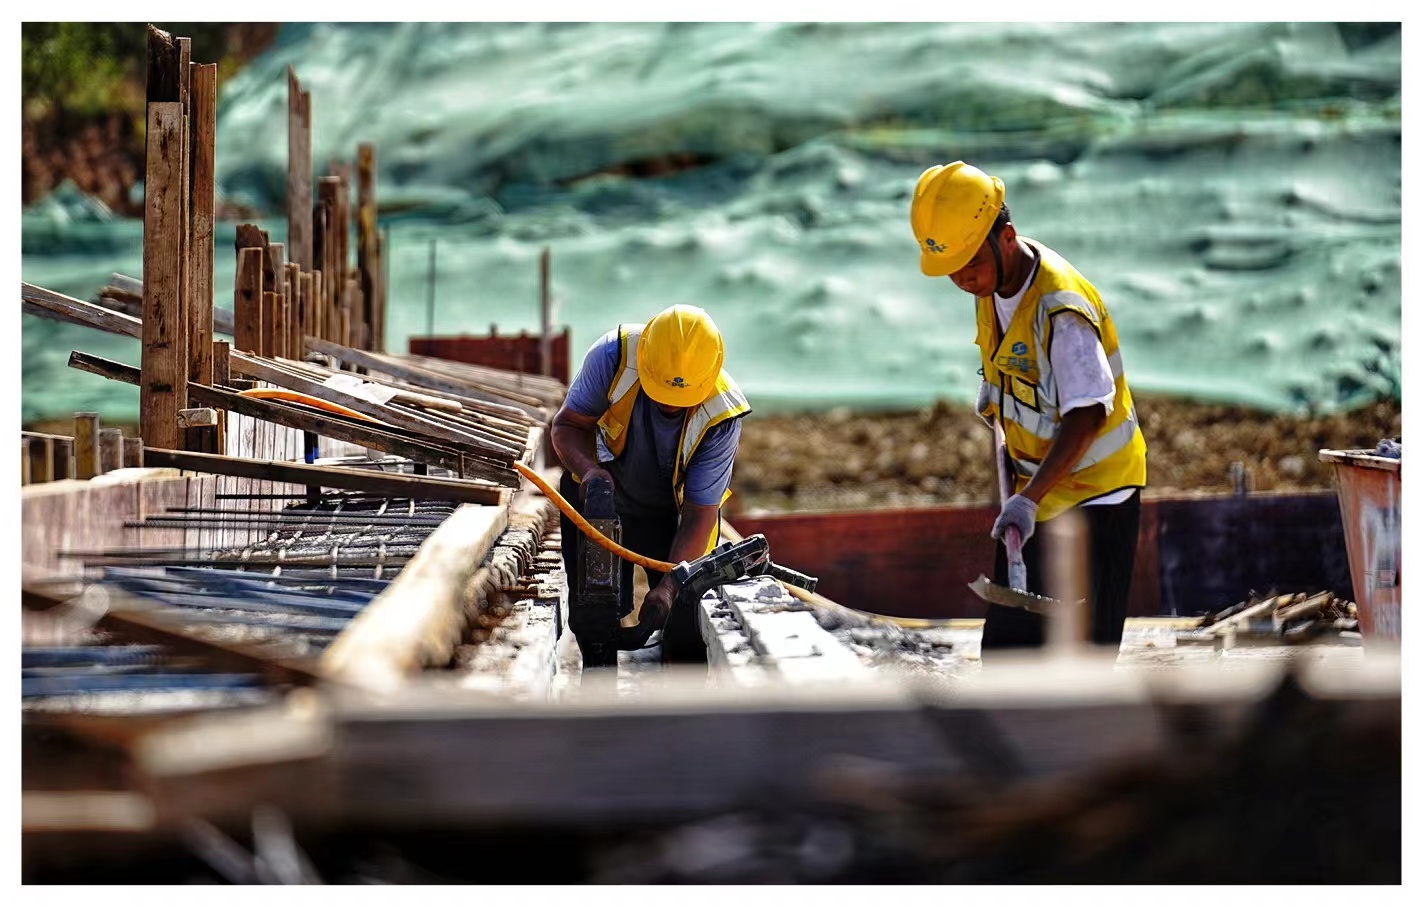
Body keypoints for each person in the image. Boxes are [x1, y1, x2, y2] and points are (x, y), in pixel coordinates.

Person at [909, 160, 1148, 652]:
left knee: (1080, 661)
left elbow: (1088, 412)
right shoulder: (992, 282)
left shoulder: (1060, 307)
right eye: (951, 270)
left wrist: (1028, 500)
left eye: (969, 265)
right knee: (1009, 656)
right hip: (1040, 492)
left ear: (1007, 237)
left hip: (1093, 499)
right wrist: (997, 395)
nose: (962, 280)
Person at [551, 304, 751, 650]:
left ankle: (678, 692)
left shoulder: (723, 413)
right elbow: (567, 425)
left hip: (668, 515)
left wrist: (671, 585)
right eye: (661, 392)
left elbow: (699, 512)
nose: (670, 406)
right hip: (598, 500)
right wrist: (590, 473)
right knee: (593, 616)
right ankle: (596, 688)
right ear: (643, 356)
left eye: (681, 398)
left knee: (684, 618)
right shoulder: (613, 356)